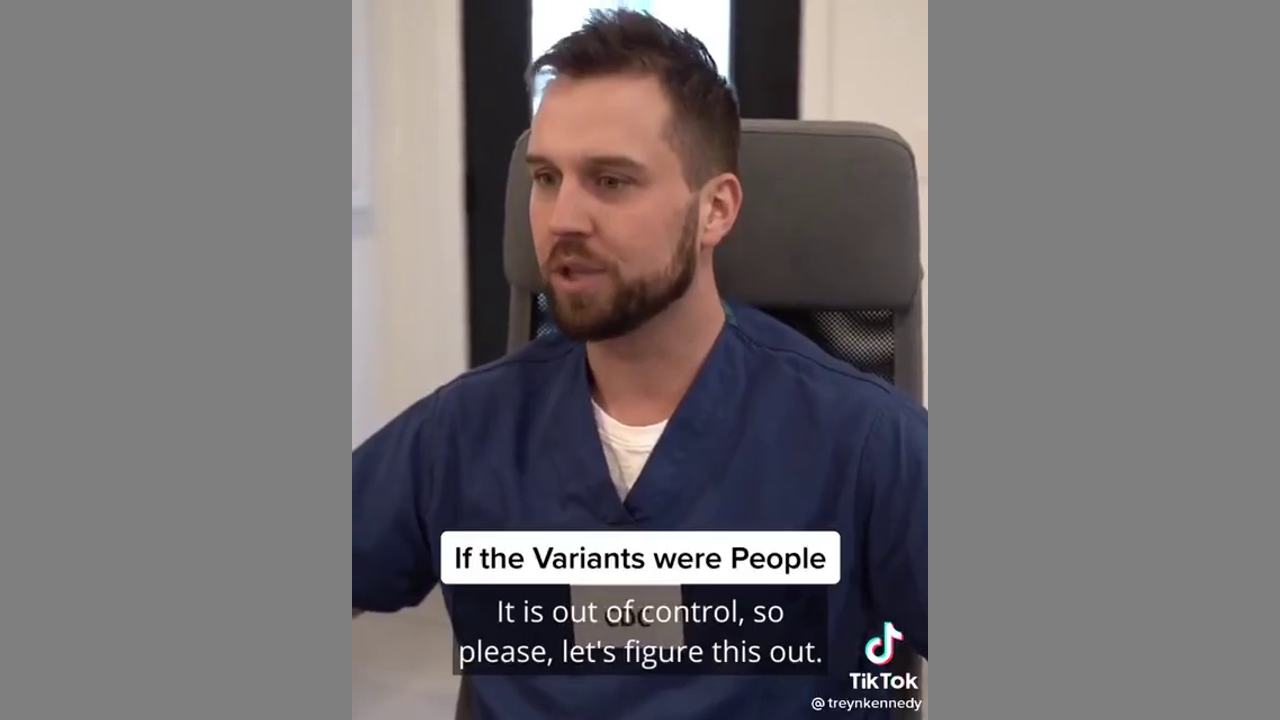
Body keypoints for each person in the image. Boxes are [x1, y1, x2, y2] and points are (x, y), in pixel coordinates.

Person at [352, 9, 928, 719]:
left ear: (715, 210)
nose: (562, 218)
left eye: (611, 180)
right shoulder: (465, 432)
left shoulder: (866, 443)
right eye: (546, 177)